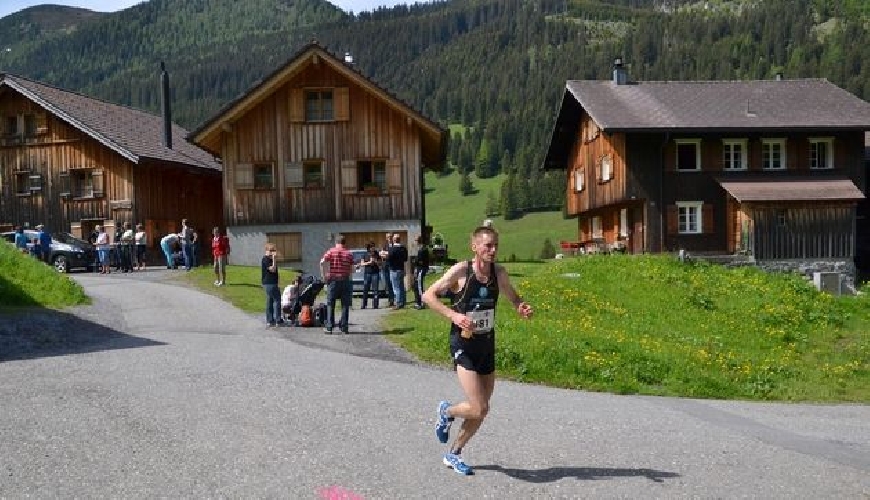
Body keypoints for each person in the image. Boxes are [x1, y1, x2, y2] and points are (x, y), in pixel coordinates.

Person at [422, 225, 534, 476]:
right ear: (475, 247)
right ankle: (446, 411)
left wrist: (521, 307)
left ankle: (454, 453)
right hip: (463, 344)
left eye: (496, 245)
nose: (493, 250)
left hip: (486, 345)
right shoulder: (462, 271)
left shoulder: (499, 273)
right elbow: (428, 296)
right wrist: (454, 316)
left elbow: (514, 298)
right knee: (479, 407)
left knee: (481, 408)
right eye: (488, 246)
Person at [319, 234, 354, 334]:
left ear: (336, 242)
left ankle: (329, 327)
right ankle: (344, 327)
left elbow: (322, 262)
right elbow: (352, 269)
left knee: (330, 304)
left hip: (333, 280)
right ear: (344, 243)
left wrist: (324, 275)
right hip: (345, 280)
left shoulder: (331, 251)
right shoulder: (349, 254)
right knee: (345, 305)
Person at [261, 243, 282, 327]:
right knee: (277, 300)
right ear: (266, 251)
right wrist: (274, 259)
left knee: (270, 301)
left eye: (274, 250)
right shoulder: (265, 259)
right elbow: (273, 269)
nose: (273, 252)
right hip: (270, 283)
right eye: (271, 250)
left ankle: (270, 320)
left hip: (271, 282)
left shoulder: (268, 259)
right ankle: (277, 320)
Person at [386, 233, 408, 309]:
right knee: (401, 286)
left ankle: (398, 303)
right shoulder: (404, 248)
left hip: (394, 270)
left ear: (393, 240)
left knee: (396, 288)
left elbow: (389, 259)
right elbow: (405, 259)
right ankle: (403, 302)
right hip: (401, 269)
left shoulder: (392, 249)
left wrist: (385, 256)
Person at [359, 242, 381, 309]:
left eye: (374, 246)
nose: (373, 248)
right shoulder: (365, 254)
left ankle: (375, 305)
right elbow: (362, 264)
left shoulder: (377, 254)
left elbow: (380, 264)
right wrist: (369, 262)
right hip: (367, 273)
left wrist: (375, 261)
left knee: (375, 290)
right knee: (365, 289)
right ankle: (364, 304)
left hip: (375, 273)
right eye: (372, 247)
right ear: (369, 248)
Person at [412, 234, 430, 309]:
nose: (415, 242)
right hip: (419, 268)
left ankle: (422, 303)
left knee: (419, 286)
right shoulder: (421, 249)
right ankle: (418, 302)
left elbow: (420, 261)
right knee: (416, 286)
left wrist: (415, 261)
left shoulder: (423, 249)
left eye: (416, 240)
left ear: (418, 241)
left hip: (421, 269)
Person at [380, 232, 395, 307]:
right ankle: (391, 300)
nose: (389, 238)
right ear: (386, 238)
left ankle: (396, 299)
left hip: (393, 266)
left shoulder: (394, 245)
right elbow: (382, 255)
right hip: (386, 267)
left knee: (394, 283)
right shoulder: (384, 245)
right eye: (388, 237)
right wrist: (387, 254)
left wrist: (387, 254)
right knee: (388, 284)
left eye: (390, 237)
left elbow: (392, 255)